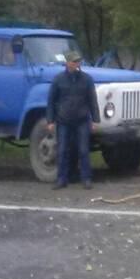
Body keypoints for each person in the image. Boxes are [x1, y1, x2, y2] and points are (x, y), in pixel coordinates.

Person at [46, 50, 99, 190]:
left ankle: (86, 178)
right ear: (67, 63)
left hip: (82, 120)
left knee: (83, 150)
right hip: (63, 120)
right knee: (62, 150)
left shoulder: (87, 79)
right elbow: (51, 101)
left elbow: (92, 100)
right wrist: (50, 121)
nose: (77, 64)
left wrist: (95, 120)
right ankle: (61, 179)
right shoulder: (58, 79)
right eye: (74, 61)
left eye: (78, 61)